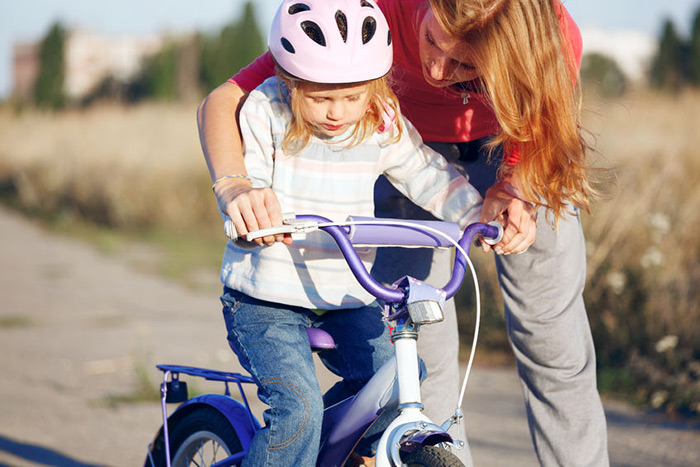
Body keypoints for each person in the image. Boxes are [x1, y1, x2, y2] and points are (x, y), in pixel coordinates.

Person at [198, 0, 609, 465]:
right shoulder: (359, 21)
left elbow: (541, 127)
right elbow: (232, 99)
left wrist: (515, 184)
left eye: (465, 65)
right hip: (400, 150)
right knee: (418, 365)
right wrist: (236, 187)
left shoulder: (546, 40)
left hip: (504, 149)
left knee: (553, 344)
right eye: (433, 41)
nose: (436, 69)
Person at [210, 1, 487, 465]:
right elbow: (250, 181)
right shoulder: (267, 111)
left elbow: (424, 171)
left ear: (375, 86)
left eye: (353, 97)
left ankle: (311, 452)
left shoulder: (379, 119)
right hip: (266, 299)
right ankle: (297, 441)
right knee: (297, 410)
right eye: (320, 98)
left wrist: (474, 213)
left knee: (400, 381)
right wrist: (250, 215)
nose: (338, 112)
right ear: (290, 81)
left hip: (345, 296)